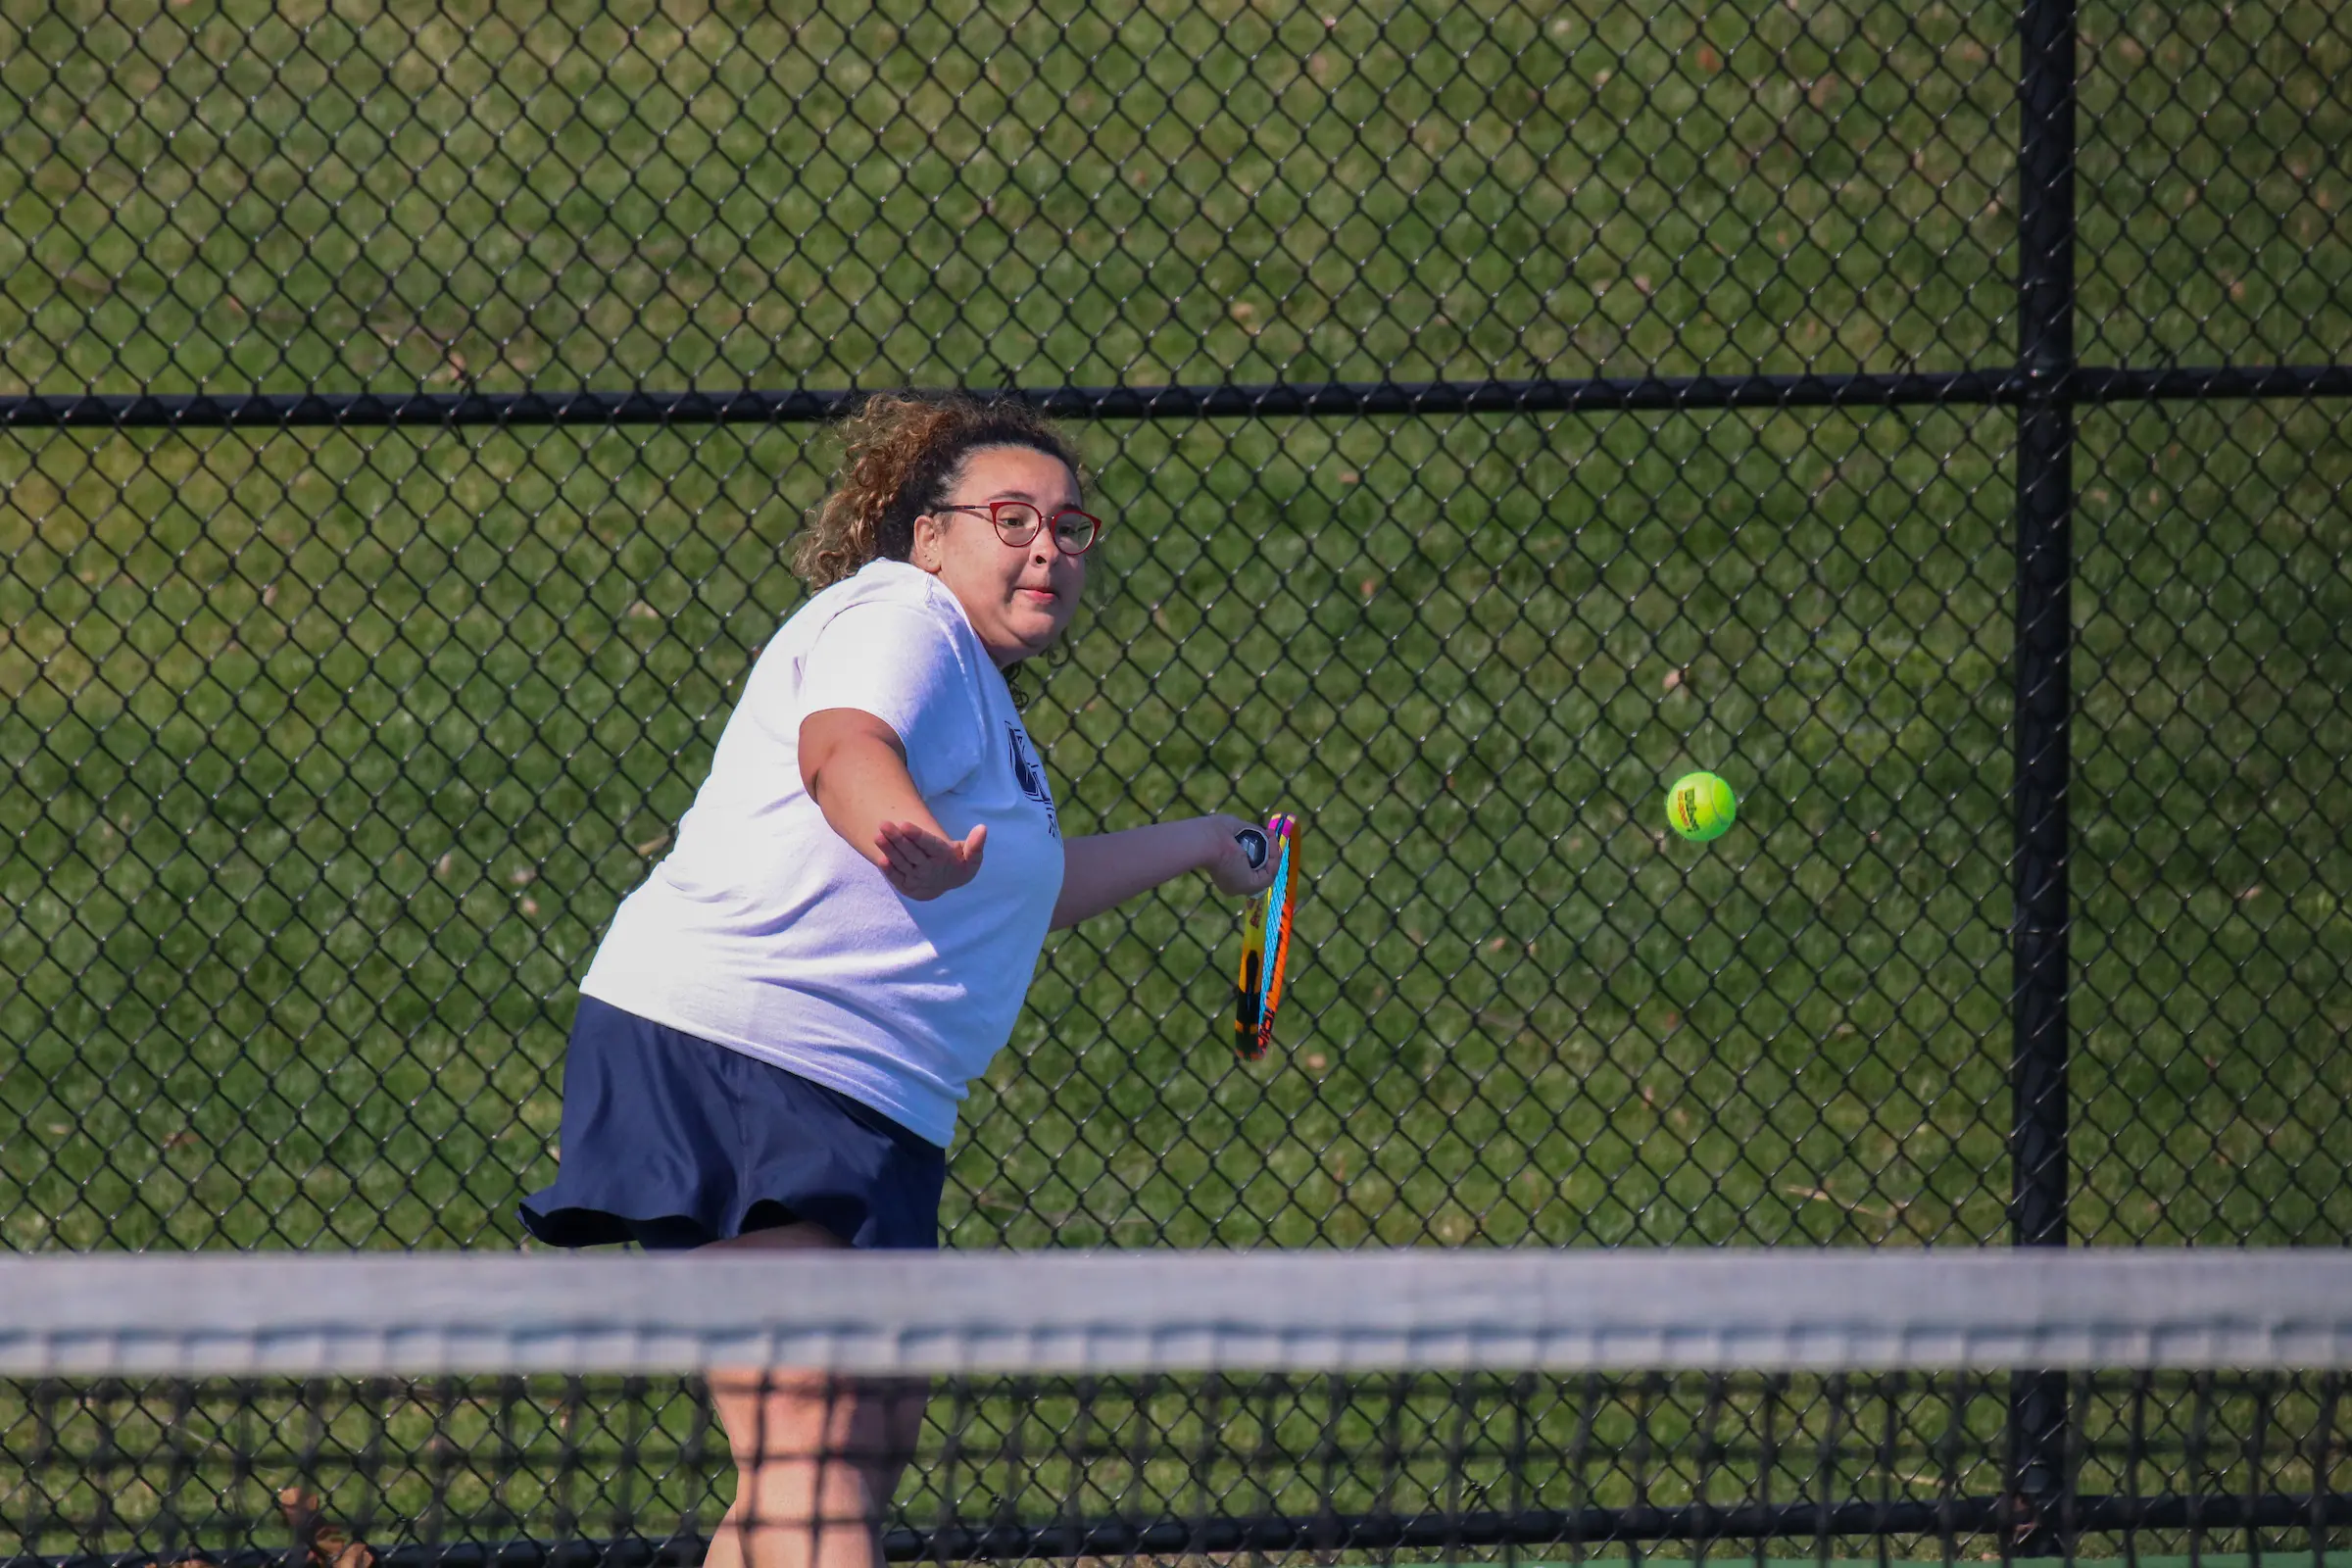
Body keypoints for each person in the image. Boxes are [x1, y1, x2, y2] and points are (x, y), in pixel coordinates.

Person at [518, 391, 1275, 1568]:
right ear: (929, 533)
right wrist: (894, 830)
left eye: (1069, 529)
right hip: (745, 1052)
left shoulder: (988, 712)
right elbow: (844, 748)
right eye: (1011, 517)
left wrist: (1202, 840)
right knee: (812, 1439)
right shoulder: (900, 616)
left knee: (851, 1444)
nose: (1046, 547)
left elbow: (1026, 887)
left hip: (871, 1097)